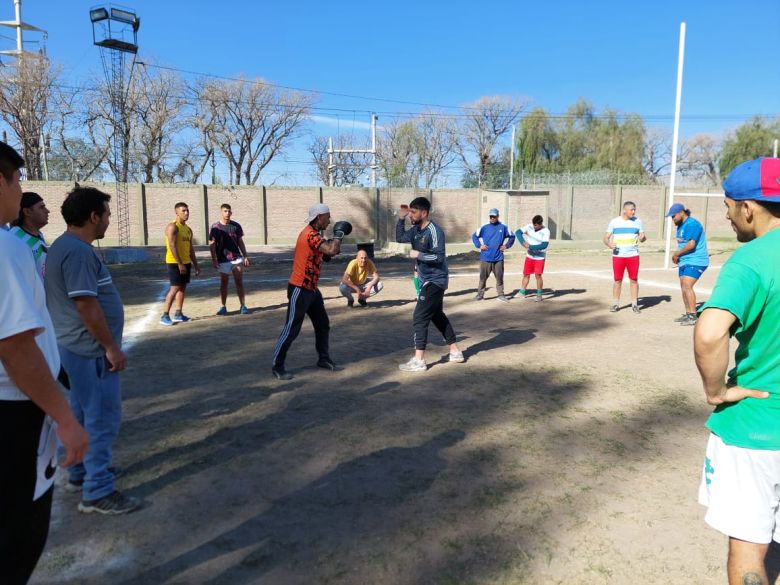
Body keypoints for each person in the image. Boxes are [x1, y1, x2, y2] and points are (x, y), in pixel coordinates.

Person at [0, 142, 89, 585]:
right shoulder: (5, 249)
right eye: (16, 180)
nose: (21, 191)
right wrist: (64, 418)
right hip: (14, 411)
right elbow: (15, 347)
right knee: (20, 535)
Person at [694, 157, 780, 585]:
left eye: (728, 206)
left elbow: (710, 335)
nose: (727, 216)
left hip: (760, 430)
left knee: (750, 550)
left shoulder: (752, 260)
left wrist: (717, 392)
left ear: (749, 208)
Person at [45, 187, 139, 516]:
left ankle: (81, 473)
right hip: (89, 350)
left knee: (84, 412)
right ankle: (97, 490)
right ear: (93, 217)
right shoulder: (79, 252)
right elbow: (86, 304)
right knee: (102, 418)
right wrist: (111, 347)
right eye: (107, 214)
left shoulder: (65, 246)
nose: (109, 221)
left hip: (75, 348)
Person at [271, 203, 346, 380]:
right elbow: (331, 249)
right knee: (291, 329)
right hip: (300, 288)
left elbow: (327, 255)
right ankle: (277, 365)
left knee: (322, 324)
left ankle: (323, 358)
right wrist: (339, 235)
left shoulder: (316, 235)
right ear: (318, 217)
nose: (329, 220)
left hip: (311, 289)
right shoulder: (309, 234)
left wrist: (332, 247)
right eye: (327, 216)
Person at [396, 197, 464, 372]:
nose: (411, 214)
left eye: (413, 212)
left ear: (424, 212)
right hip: (425, 279)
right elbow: (400, 237)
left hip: (436, 279)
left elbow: (439, 257)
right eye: (410, 212)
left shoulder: (435, 231)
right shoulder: (415, 230)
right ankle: (455, 351)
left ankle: (419, 360)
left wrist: (418, 255)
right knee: (436, 315)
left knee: (419, 317)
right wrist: (401, 219)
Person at [667, 203, 709, 326]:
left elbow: (691, 245)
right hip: (684, 261)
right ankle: (688, 313)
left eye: (673, 216)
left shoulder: (692, 224)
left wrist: (676, 255)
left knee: (687, 285)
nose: (672, 219)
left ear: (681, 212)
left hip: (697, 260)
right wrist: (679, 256)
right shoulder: (680, 226)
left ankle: (693, 316)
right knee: (683, 286)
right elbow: (682, 244)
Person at [161, 202, 200, 326]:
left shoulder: (188, 230)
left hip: (186, 262)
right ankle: (164, 315)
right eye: (183, 211)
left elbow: (190, 248)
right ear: (176, 212)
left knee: (182, 287)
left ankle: (178, 314)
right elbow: (172, 245)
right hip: (174, 262)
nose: (186, 213)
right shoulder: (173, 227)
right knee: (175, 288)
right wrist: (180, 264)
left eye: (187, 210)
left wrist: (196, 265)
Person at [603, 201, 646, 313]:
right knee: (617, 280)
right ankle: (615, 304)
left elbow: (642, 237)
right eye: (631, 209)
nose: (633, 212)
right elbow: (605, 238)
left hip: (633, 256)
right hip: (618, 256)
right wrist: (609, 244)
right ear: (624, 210)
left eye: (634, 209)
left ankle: (635, 305)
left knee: (634, 280)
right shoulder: (614, 222)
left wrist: (643, 237)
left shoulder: (638, 221)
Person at [209, 203, 250, 315]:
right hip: (223, 259)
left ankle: (243, 306)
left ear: (231, 213)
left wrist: (245, 255)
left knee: (239, 281)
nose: (227, 213)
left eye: (229, 211)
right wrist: (214, 259)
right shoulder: (215, 227)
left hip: (236, 258)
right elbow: (212, 244)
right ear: (221, 212)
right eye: (225, 211)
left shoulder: (236, 226)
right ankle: (223, 307)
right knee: (224, 283)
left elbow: (240, 242)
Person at [471, 207, 514, 302]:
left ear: (498, 216)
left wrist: (506, 246)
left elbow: (512, 236)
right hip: (485, 258)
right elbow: (474, 236)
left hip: (498, 258)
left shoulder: (503, 227)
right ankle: (480, 295)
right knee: (482, 278)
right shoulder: (484, 227)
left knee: (499, 278)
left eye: (494, 216)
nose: (492, 218)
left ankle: (501, 295)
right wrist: (479, 245)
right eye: (491, 216)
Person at [9, 191, 49, 281]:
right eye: (42, 207)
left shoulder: (38, 234)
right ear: (27, 212)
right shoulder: (15, 238)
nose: (47, 211)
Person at [515, 214, 551, 302]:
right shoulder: (529, 227)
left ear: (540, 224)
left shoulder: (546, 231)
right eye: (533, 225)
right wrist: (523, 242)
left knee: (538, 275)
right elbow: (518, 232)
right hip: (529, 256)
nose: (534, 227)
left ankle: (539, 294)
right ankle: (522, 292)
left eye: (536, 225)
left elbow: (544, 245)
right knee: (526, 274)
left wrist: (530, 247)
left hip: (539, 257)